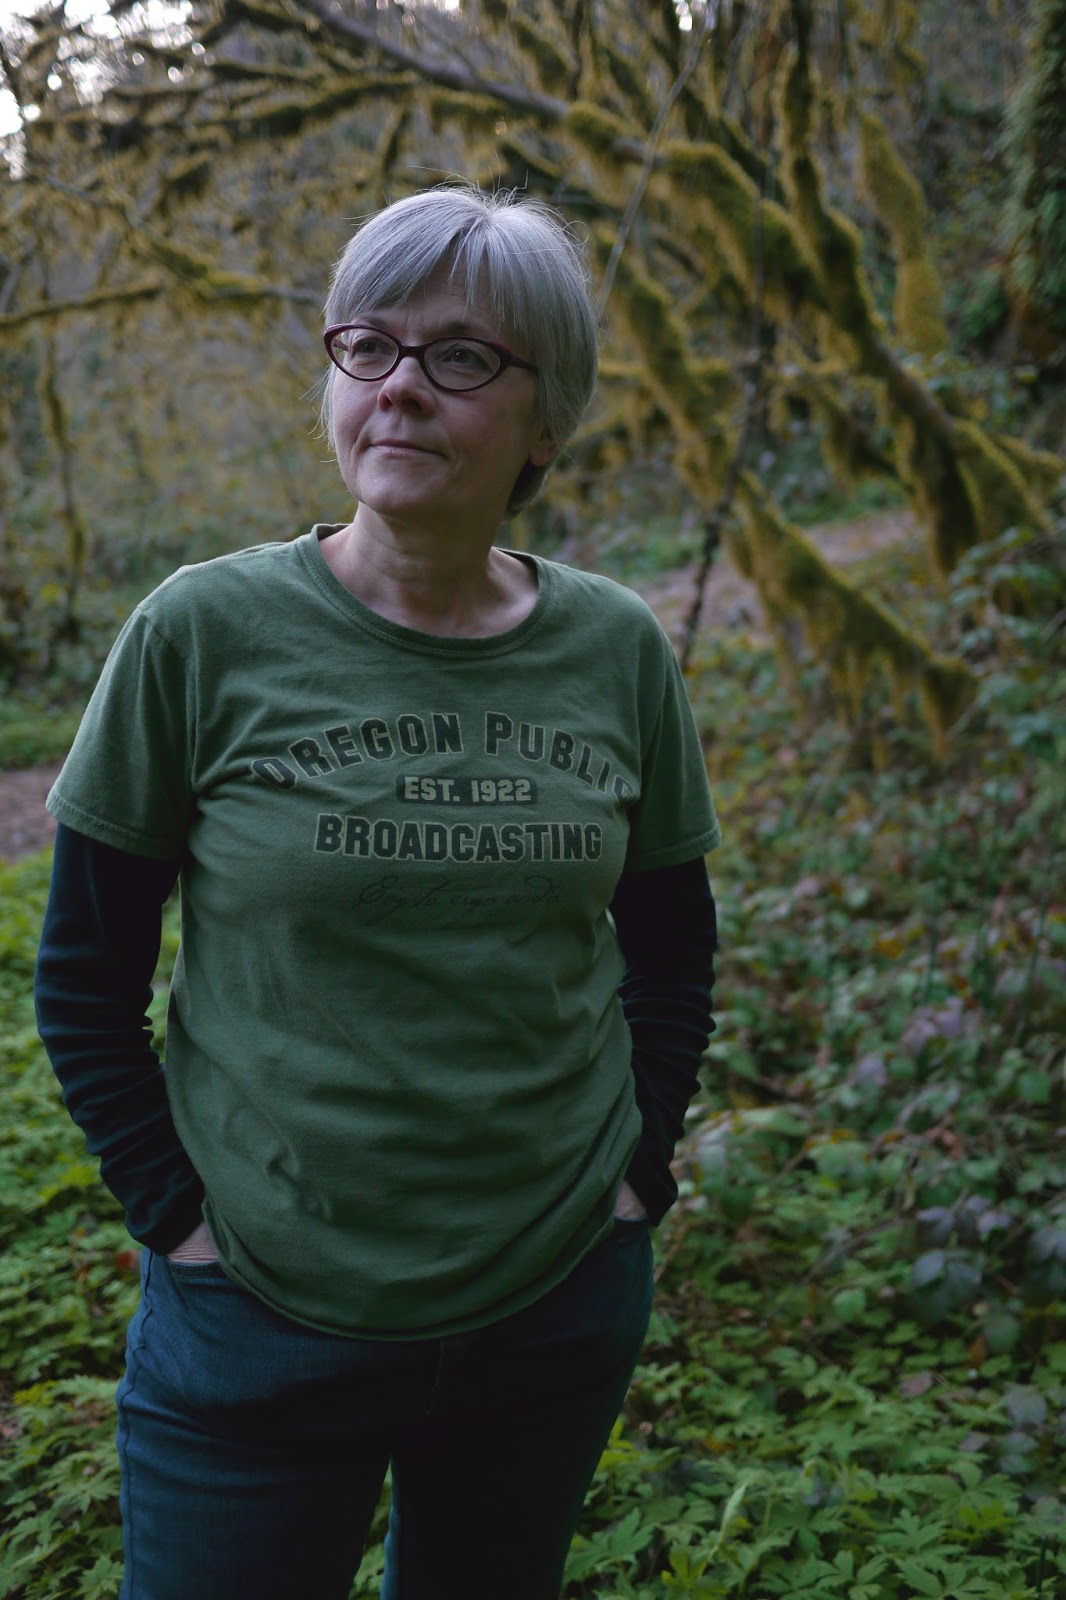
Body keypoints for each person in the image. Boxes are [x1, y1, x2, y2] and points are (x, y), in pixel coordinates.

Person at [34, 184, 720, 1600]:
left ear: (546, 421)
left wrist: (638, 1172)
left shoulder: (613, 649)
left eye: (460, 355)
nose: (401, 385)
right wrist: (176, 1220)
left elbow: (671, 946)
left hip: (551, 1303)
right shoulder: (200, 632)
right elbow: (84, 976)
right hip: (256, 1317)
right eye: (369, 345)